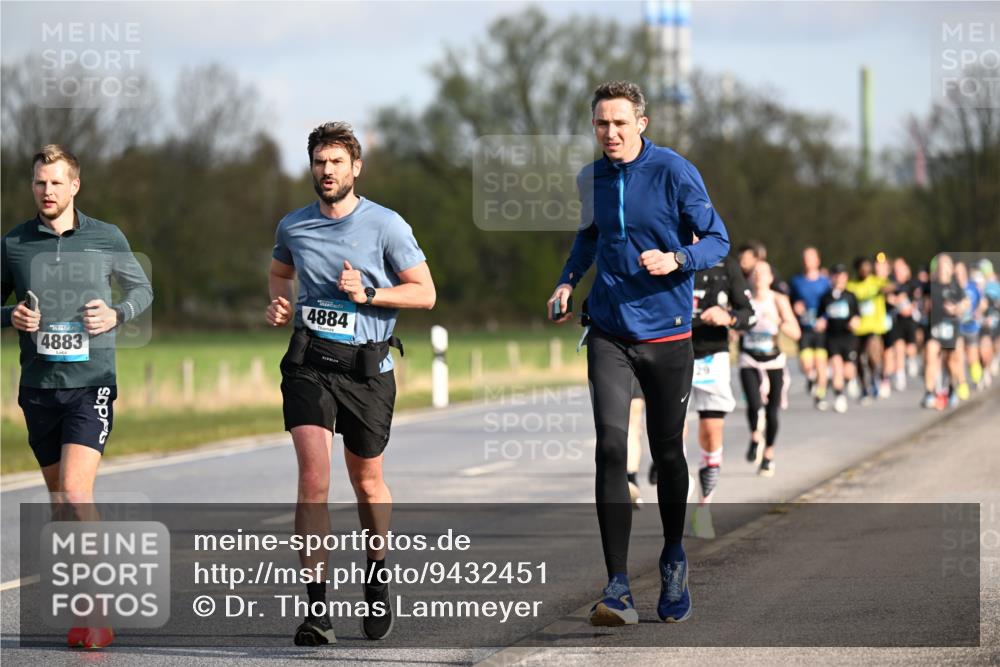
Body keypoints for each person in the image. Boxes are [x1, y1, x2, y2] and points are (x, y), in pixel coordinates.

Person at [548, 80, 729, 626]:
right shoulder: (592, 177)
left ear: (641, 124)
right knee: (610, 448)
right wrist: (568, 281)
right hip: (609, 331)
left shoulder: (674, 171)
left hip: (668, 336)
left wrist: (677, 259)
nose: (610, 133)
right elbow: (589, 236)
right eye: (601, 123)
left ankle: (673, 556)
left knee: (667, 452)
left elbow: (717, 239)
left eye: (620, 123)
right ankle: (618, 585)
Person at [267, 122, 435, 644]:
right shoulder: (293, 226)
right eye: (320, 161)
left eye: (337, 161)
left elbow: (425, 293)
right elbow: (280, 272)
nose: (327, 170)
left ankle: (377, 573)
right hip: (309, 363)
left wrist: (369, 294)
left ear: (355, 168)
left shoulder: (386, 225)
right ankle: (317, 610)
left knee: (367, 483)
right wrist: (279, 303)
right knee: (313, 479)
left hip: (366, 370)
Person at [1, 145, 154, 649]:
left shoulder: (105, 237)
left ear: (75, 186)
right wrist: (10, 316)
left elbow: (142, 290)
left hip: (91, 384)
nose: (47, 191)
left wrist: (116, 314)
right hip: (38, 390)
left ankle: (98, 610)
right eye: (39, 182)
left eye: (56, 182)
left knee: (73, 492)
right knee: (60, 504)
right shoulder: (14, 243)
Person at [738, 261, 800, 476]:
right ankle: (756, 437)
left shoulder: (778, 300)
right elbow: (734, 327)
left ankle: (768, 455)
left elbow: (796, 333)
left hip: (774, 361)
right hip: (749, 359)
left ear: (771, 278)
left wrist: (779, 322)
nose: (758, 276)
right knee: (754, 404)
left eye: (763, 272)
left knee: (772, 411)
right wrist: (737, 327)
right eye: (755, 272)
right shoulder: (744, 299)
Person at [921, 254, 967, 409]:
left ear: (951, 269)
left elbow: (965, 302)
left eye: (945, 265)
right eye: (939, 265)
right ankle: (929, 393)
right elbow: (922, 302)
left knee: (951, 362)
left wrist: (956, 308)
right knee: (930, 355)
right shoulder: (930, 286)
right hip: (935, 329)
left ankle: (952, 389)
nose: (942, 268)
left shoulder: (955, 286)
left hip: (950, 329)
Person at [788, 247, 831, 409]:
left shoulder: (825, 282)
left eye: (811, 258)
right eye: (805, 258)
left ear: (818, 260)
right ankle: (811, 378)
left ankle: (820, 396)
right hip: (804, 328)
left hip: (821, 329)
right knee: (806, 365)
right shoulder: (796, 281)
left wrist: (825, 319)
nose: (808, 261)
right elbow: (789, 302)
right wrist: (795, 307)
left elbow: (832, 303)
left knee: (821, 364)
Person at [815, 264, 861, 414]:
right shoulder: (825, 297)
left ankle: (851, 379)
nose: (839, 279)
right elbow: (820, 316)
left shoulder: (850, 296)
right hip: (832, 337)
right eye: (835, 275)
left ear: (846, 278)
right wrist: (820, 323)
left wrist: (855, 321)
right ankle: (839, 396)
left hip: (848, 337)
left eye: (841, 275)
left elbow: (857, 315)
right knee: (836, 367)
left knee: (848, 371)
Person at [847, 256, 891, 403]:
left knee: (873, 355)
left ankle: (875, 378)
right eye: (862, 268)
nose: (865, 270)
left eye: (867, 267)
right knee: (859, 358)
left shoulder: (876, 281)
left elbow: (891, 286)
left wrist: (885, 289)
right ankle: (864, 387)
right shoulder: (851, 286)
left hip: (874, 326)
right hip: (857, 328)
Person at [884, 257, 921, 389]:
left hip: (910, 320)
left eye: (901, 269)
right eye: (896, 269)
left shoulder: (913, 284)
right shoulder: (891, 284)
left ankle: (912, 359)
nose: (898, 272)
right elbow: (889, 299)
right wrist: (894, 301)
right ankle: (900, 376)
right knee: (898, 347)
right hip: (897, 320)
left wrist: (910, 306)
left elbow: (917, 300)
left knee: (910, 348)